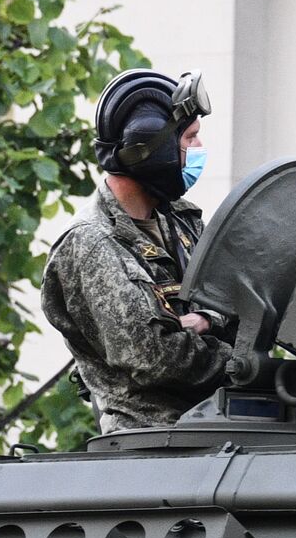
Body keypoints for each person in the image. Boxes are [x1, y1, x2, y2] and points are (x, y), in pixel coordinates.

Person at [42, 68, 230, 433]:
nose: (198, 151)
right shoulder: (92, 244)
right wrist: (243, 363)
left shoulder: (182, 220)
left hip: (219, 428)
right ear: (149, 149)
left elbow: (239, 304)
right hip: (153, 443)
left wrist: (207, 321)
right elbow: (151, 357)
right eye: (190, 139)